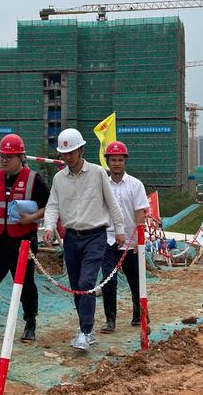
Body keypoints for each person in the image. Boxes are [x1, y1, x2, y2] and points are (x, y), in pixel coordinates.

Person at [43, 128, 124, 351]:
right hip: (71, 239)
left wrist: (120, 230)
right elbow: (52, 206)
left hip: (95, 236)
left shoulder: (98, 173)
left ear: (81, 150)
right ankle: (85, 327)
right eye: (63, 153)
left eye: (72, 152)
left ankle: (86, 332)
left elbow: (112, 203)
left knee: (87, 283)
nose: (68, 157)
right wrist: (49, 227)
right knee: (76, 286)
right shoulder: (59, 179)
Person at [0, 133, 50, 342]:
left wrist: (30, 218)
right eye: (2, 156)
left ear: (20, 157)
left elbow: (49, 206)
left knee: (24, 284)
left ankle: (30, 323)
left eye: (9, 157)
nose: (4, 160)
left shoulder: (33, 179)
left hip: (23, 241)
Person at [100, 141, 149, 334]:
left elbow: (140, 213)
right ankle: (110, 319)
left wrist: (138, 239)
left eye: (120, 160)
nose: (117, 163)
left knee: (136, 280)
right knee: (108, 280)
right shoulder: (102, 184)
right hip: (108, 239)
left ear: (125, 161)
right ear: (108, 162)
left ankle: (139, 313)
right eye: (113, 160)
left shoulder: (135, 185)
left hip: (130, 242)